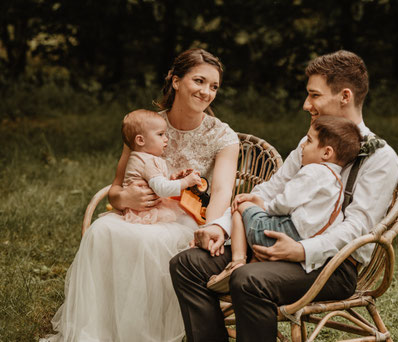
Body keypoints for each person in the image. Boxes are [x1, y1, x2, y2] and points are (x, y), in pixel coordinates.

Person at [170, 50, 398, 342]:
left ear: (345, 96)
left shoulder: (381, 158)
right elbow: (267, 191)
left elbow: (357, 227)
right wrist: (221, 226)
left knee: (248, 278)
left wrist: (301, 251)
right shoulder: (310, 143)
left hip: (330, 265)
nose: (306, 105)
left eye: (314, 95)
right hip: (272, 240)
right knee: (187, 264)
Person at [41, 48, 239, 342]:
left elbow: (223, 191)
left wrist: (209, 228)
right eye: (199, 81)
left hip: (186, 219)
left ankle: (144, 335)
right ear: (175, 81)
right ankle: (101, 333)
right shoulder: (144, 126)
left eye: (214, 86)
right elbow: (117, 189)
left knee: (148, 241)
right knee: (102, 229)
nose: (207, 92)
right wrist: (126, 200)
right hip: (138, 212)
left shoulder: (223, 137)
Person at [207, 115, 362, 293]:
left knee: (241, 206)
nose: (302, 145)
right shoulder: (337, 186)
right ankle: (252, 265)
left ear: (326, 153)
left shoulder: (313, 171)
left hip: (283, 233)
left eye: (309, 141)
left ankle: (237, 262)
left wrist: (263, 205)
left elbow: (286, 201)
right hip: (304, 241)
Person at [118, 109, 202, 224]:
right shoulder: (147, 162)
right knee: (184, 225)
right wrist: (187, 181)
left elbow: (156, 184)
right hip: (145, 214)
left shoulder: (143, 158)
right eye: (160, 134)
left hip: (144, 208)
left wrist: (172, 180)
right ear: (140, 140)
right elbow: (162, 189)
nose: (166, 139)